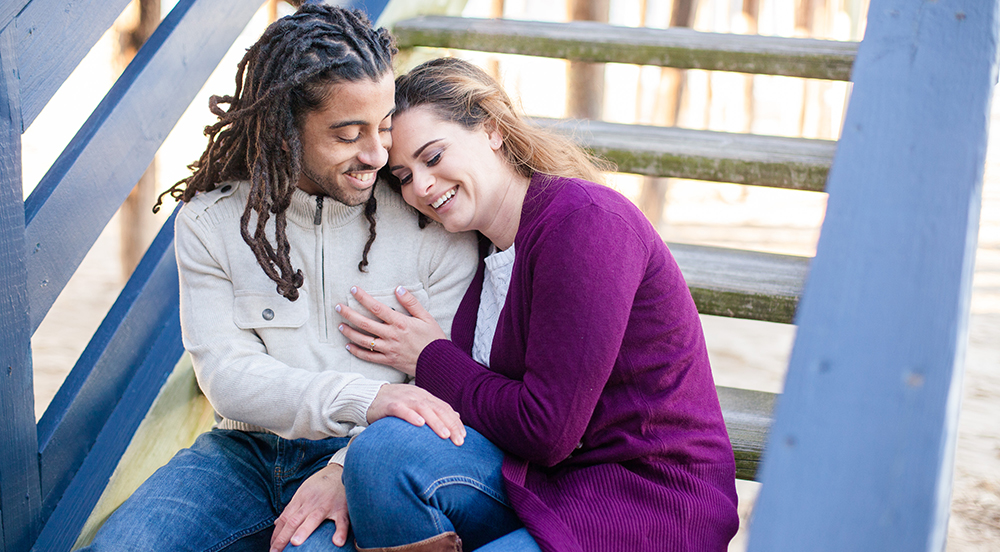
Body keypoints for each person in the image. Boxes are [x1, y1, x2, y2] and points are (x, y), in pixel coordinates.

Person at [81, 7, 477, 552]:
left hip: (368, 452)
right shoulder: (211, 220)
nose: (378, 154)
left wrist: (347, 467)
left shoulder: (428, 216)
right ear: (286, 131)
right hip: (241, 453)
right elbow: (227, 375)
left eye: (384, 125)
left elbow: (447, 377)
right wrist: (365, 395)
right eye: (347, 135)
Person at [334, 57, 740, 552]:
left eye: (434, 157)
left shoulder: (584, 224)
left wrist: (430, 357)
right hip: (541, 482)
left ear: (492, 130)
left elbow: (546, 429)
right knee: (380, 458)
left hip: (644, 502)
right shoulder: (479, 250)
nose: (420, 186)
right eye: (402, 175)